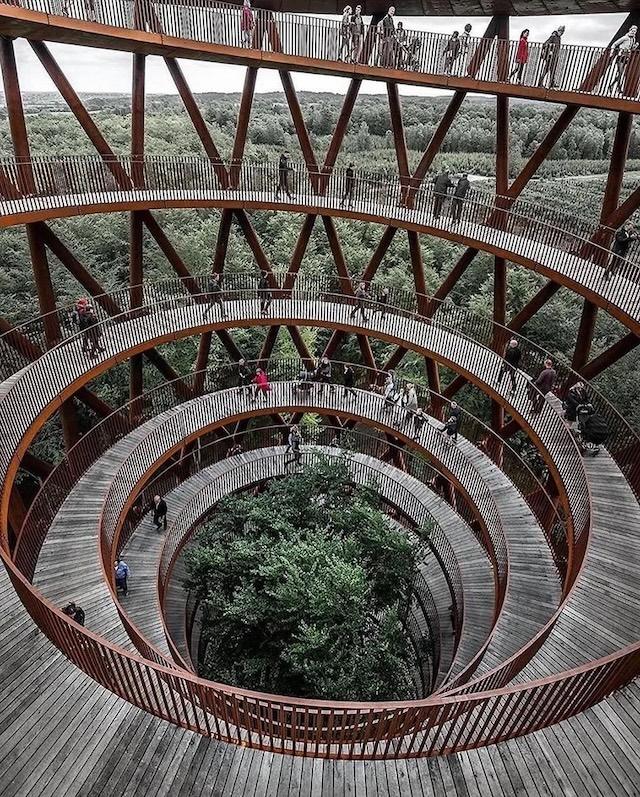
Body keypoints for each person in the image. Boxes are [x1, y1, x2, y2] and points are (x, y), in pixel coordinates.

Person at [608, 25, 638, 94]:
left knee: (620, 74)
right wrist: (612, 52)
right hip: (620, 56)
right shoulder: (625, 37)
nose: (633, 32)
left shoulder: (633, 39)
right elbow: (615, 44)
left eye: (635, 31)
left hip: (626, 57)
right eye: (632, 31)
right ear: (630, 30)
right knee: (620, 73)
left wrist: (635, 46)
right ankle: (618, 88)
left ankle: (612, 85)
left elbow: (631, 49)